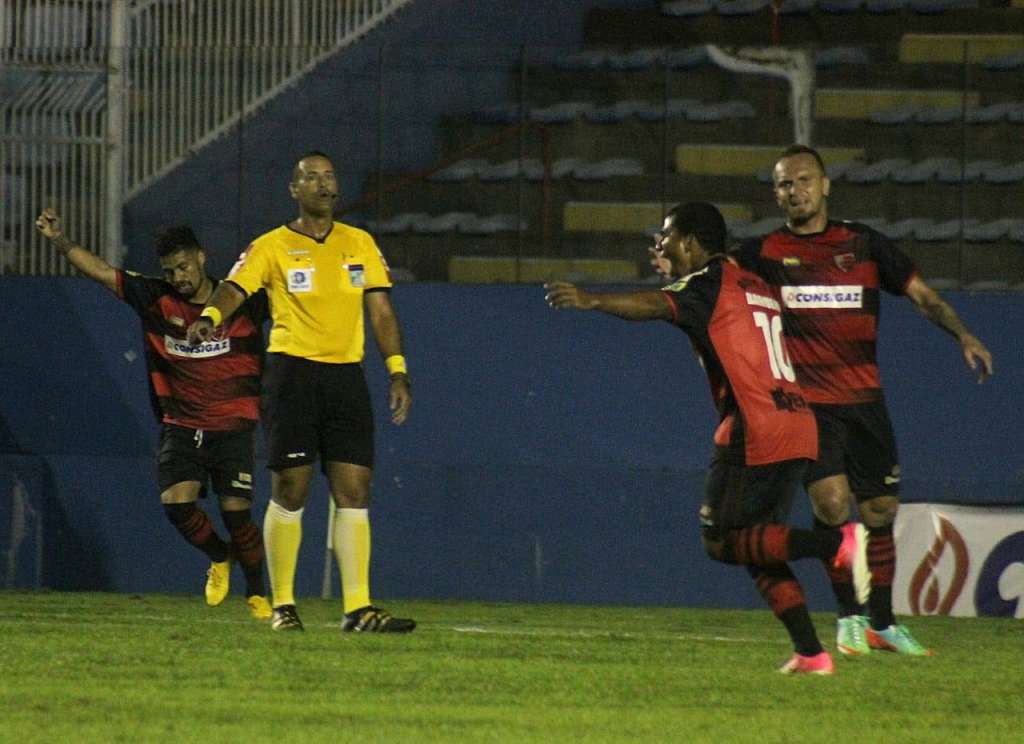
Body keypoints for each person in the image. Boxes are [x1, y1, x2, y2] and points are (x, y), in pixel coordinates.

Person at [545, 202, 869, 674]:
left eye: (667, 236)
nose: (660, 244)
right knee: (757, 543)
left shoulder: (708, 283)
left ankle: (835, 545)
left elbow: (658, 305)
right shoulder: (750, 282)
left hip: (756, 427)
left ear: (693, 243)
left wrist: (592, 299)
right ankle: (811, 652)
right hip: (797, 420)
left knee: (719, 540)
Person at [736, 144, 994, 657]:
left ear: (825, 185)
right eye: (785, 184)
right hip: (809, 406)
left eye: (804, 180)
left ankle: (882, 621)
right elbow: (716, 292)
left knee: (880, 510)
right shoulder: (762, 253)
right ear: (776, 193)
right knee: (831, 505)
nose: (796, 191)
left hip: (865, 402)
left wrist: (963, 335)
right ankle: (848, 618)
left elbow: (923, 296)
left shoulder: (864, 243)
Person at [186, 150, 415, 633]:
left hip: (345, 377)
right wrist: (209, 317)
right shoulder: (271, 246)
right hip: (292, 374)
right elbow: (234, 288)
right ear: (294, 189)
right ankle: (284, 604)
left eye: (330, 176)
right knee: (292, 487)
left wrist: (397, 370)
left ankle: (359, 608)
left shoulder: (360, 244)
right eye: (312, 177)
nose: (324, 184)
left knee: (354, 487)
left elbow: (382, 313)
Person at [34, 209, 272, 619]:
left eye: (183, 266)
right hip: (180, 422)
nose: (179, 276)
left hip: (232, 423)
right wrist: (59, 240)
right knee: (176, 506)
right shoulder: (155, 298)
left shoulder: (242, 298)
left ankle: (257, 591)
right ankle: (220, 557)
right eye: (170, 270)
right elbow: (103, 273)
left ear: (202, 257)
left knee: (237, 514)